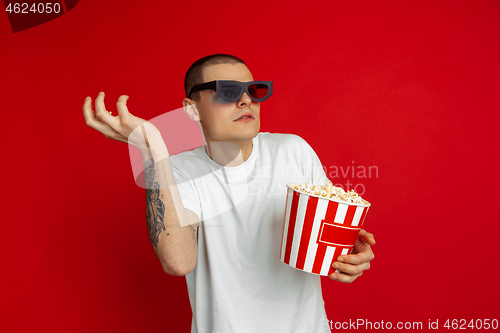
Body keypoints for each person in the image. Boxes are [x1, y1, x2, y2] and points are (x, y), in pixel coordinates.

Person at [83, 53, 376, 333]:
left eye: (253, 90)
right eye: (227, 91)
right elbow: (178, 261)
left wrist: (351, 255)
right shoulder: (179, 172)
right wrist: (153, 149)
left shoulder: (293, 150)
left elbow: (330, 235)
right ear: (192, 109)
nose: (246, 99)